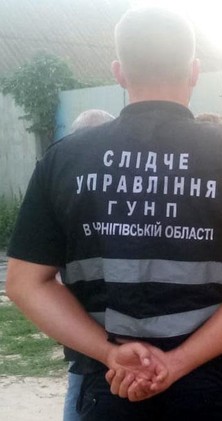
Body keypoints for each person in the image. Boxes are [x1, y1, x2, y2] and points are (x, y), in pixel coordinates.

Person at [6, 7, 222, 421]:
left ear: (119, 73)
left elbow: (24, 283)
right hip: (216, 390)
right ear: (194, 72)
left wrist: (110, 353)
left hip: (110, 388)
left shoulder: (64, 159)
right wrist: (177, 363)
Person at [62, 109, 116, 421]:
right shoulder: (124, 182)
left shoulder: (62, 181)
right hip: (105, 314)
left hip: (79, 313)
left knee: (81, 379)